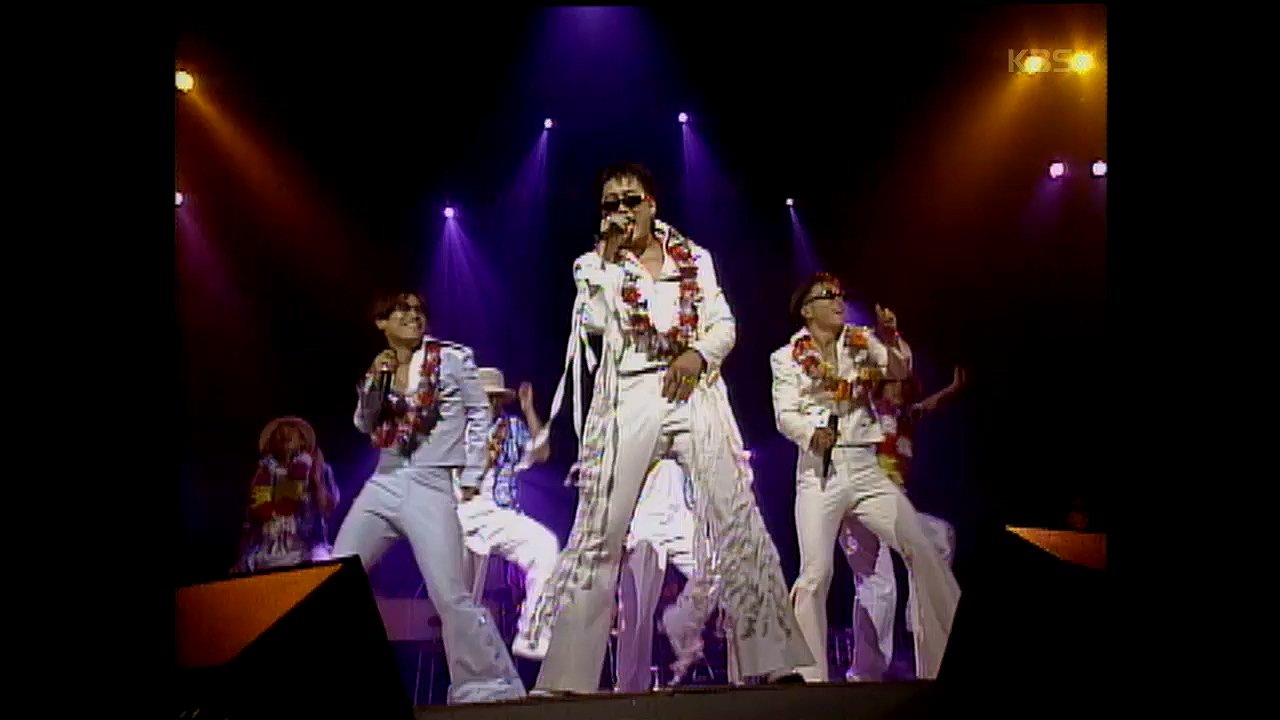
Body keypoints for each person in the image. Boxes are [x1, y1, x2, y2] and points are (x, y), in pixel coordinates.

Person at [523, 163, 810, 694]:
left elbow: (723, 324)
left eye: (630, 199)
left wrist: (698, 355)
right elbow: (595, 322)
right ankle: (566, 675)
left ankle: (774, 660)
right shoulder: (592, 264)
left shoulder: (694, 258)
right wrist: (609, 257)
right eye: (610, 203)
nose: (620, 210)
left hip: (694, 389)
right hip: (631, 395)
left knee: (735, 519)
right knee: (601, 530)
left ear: (651, 204)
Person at [332, 291, 525, 704]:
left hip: (431, 483)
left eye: (418, 310)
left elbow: (479, 412)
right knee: (334, 575)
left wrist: (472, 473)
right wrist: (375, 382)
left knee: (449, 593)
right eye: (401, 310)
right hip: (383, 480)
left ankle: (488, 685)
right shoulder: (380, 369)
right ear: (381, 322)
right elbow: (365, 424)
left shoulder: (451, 358)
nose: (412, 315)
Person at [770, 272, 960, 682]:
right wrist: (811, 433)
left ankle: (945, 661)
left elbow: (899, 370)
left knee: (921, 547)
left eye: (840, 295)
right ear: (807, 311)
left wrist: (890, 338)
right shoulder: (785, 357)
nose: (839, 301)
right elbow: (785, 414)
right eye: (828, 296)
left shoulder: (861, 341)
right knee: (816, 572)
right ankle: (808, 677)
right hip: (820, 474)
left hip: (866, 467)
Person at [839, 303, 965, 682]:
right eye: (890, 385)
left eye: (901, 387)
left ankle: (922, 620)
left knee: (939, 538)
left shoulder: (904, 417)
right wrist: (887, 336)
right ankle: (864, 676)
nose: (896, 391)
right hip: (860, 508)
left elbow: (929, 403)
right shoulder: (866, 412)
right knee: (879, 589)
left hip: (894, 511)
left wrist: (954, 388)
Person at [457, 367, 561, 661]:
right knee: (463, 602)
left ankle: (531, 634)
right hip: (463, 514)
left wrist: (529, 410)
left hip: (502, 514)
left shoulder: (511, 427)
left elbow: (542, 453)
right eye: (483, 398)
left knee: (545, 546)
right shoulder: (457, 429)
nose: (488, 404)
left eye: (493, 399)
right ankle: (463, 671)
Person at [233, 416, 338, 573]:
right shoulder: (262, 474)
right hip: (266, 553)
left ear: (302, 441)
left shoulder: (317, 468)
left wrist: (316, 479)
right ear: (271, 443)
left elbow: (328, 509)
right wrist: (241, 558)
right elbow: (250, 522)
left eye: (292, 431)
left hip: (306, 550)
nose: (285, 435)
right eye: (280, 433)